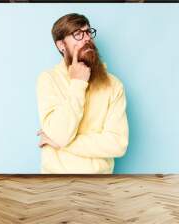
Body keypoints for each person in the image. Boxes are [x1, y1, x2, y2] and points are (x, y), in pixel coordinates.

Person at [36, 13, 129, 174]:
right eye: (77, 34)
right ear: (61, 45)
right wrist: (78, 83)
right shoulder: (48, 79)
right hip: (55, 183)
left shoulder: (114, 85)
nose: (86, 38)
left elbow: (118, 144)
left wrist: (61, 143)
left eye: (87, 32)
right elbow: (60, 133)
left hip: (99, 184)